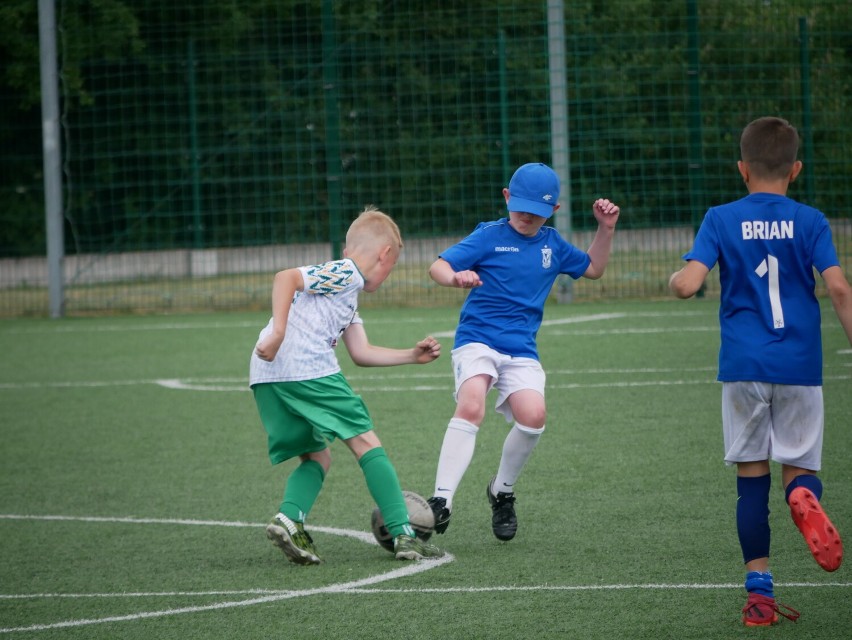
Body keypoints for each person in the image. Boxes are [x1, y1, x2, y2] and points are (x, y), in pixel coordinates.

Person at [669, 116, 851, 626]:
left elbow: (688, 284)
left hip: (744, 369)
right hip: (800, 366)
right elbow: (838, 289)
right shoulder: (811, 220)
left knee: (751, 481)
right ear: (795, 168)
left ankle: (760, 598)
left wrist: (676, 279)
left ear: (741, 169)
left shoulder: (721, 218)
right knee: (800, 469)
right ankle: (802, 495)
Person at [425, 162, 620, 541]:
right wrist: (455, 277)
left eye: (538, 211)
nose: (527, 217)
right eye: (522, 207)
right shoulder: (488, 236)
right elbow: (438, 266)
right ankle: (441, 500)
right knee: (472, 404)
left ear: (555, 212)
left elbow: (594, 267)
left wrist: (605, 228)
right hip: (477, 340)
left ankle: (502, 491)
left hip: (520, 349)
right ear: (506, 197)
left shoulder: (553, 246)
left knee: (533, 417)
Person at [250, 206, 445, 564]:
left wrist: (410, 355)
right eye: (393, 265)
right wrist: (278, 331)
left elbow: (362, 352)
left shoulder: (345, 295)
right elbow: (285, 277)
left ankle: (289, 519)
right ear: (385, 254)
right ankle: (404, 533)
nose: (389, 273)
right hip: (306, 366)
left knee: (317, 456)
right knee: (366, 441)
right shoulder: (347, 273)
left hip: (267, 375)